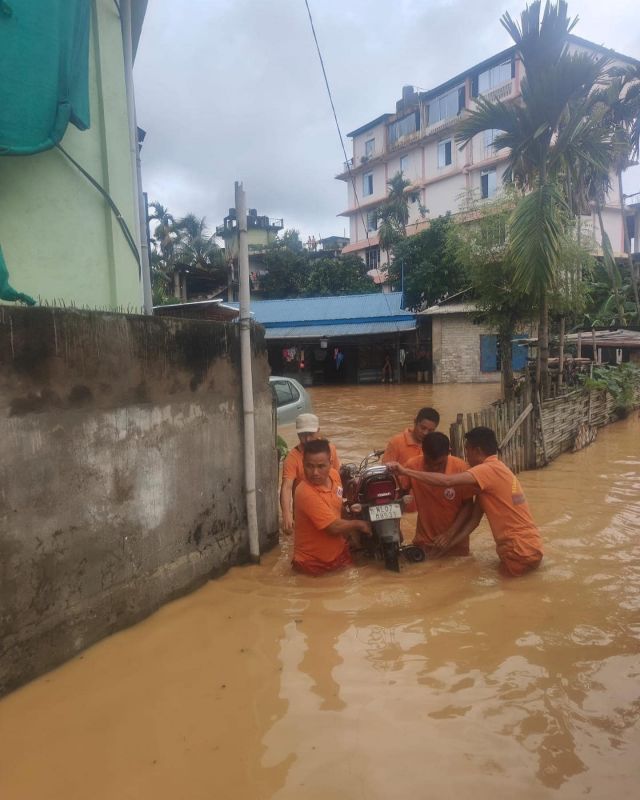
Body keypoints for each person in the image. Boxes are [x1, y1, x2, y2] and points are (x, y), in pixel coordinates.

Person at [388, 426, 543, 577]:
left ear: (477, 451)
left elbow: (448, 481)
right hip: (527, 545)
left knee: (511, 595)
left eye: (467, 450)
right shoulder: (492, 476)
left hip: (517, 548)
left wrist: (405, 471)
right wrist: (448, 544)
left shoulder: (487, 470)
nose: (466, 455)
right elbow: (473, 522)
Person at [292, 439, 371, 575]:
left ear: (330, 463)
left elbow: (339, 507)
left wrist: (352, 537)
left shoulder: (334, 475)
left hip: (340, 556)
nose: (315, 472)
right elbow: (333, 528)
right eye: (309, 466)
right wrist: (360, 524)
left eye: (321, 466)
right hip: (312, 564)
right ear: (303, 464)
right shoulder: (304, 492)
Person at [401, 432, 475, 556]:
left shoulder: (461, 468)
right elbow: (399, 498)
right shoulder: (412, 466)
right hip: (424, 543)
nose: (434, 468)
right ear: (422, 452)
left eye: (439, 464)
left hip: (456, 543)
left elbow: (468, 505)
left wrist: (449, 534)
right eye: (429, 463)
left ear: (449, 452)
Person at [280, 413, 340, 535]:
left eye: (310, 435)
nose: (307, 439)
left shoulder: (330, 449)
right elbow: (286, 487)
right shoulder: (292, 458)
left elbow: (337, 477)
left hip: (329, 506)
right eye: (302, 435)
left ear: (318, 431)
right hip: (305, 511)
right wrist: (286, 514)